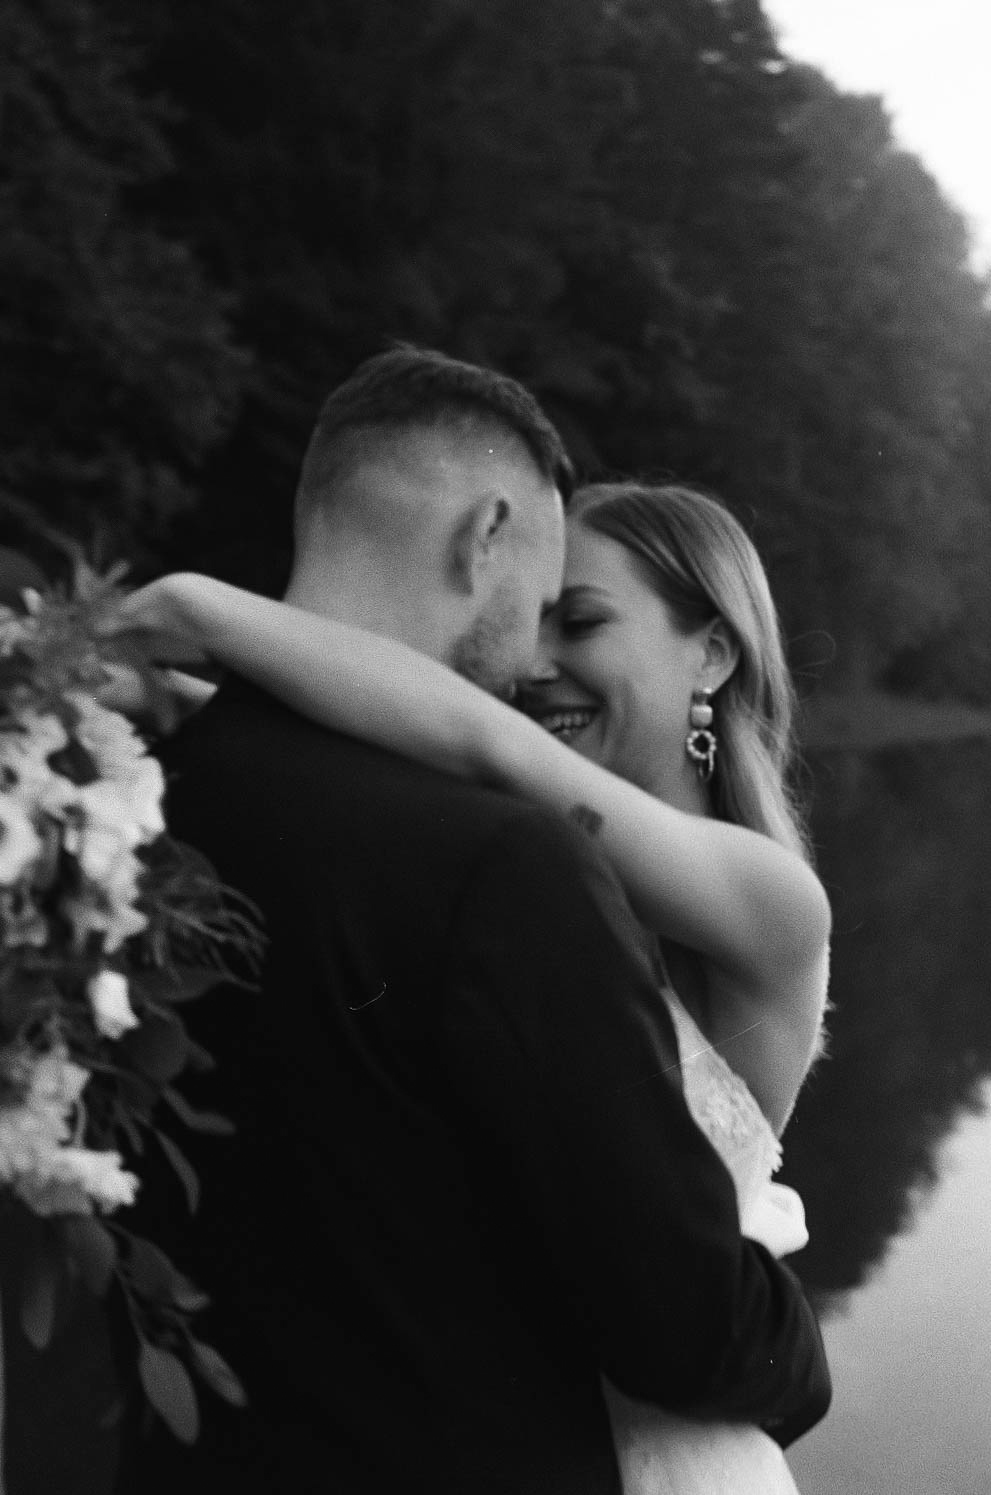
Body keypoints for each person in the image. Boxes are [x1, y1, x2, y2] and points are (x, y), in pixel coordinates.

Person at [112, 346, 831, 1495]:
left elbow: (473, 735)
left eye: (575, 620)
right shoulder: (503, 844)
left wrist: (205, 611)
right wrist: (163, 694)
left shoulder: (768, 897)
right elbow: (390, 749)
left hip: (676, 1433)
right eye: (535, 618)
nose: (535, 662)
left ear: (711, 650)